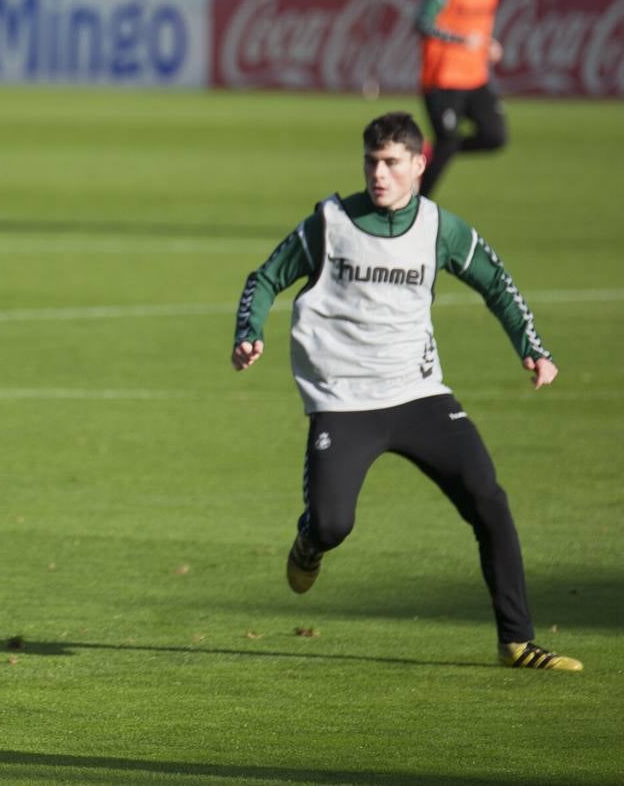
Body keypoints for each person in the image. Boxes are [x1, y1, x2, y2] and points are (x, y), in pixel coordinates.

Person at [230, 112, 581, 672]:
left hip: (419, 396)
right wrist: (249, 333)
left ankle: (517, 641)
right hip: (344, 402)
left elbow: (496, 282)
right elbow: (265, 276)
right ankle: (309, 544)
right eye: (372, 162)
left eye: (392, 163)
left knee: (488, 500)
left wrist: (531, 346)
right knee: (331, 525)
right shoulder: (332, 222)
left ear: (420, 165)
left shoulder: (439, 227)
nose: (379, 173)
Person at [414, 0, 506, 197]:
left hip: (475, 77)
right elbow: (422, 22)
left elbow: (478, 24)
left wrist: (488, 45)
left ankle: (432, 151)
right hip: (443, 79)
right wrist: (460, 39)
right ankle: (415, 209)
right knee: (447, 144)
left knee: (495, 137)